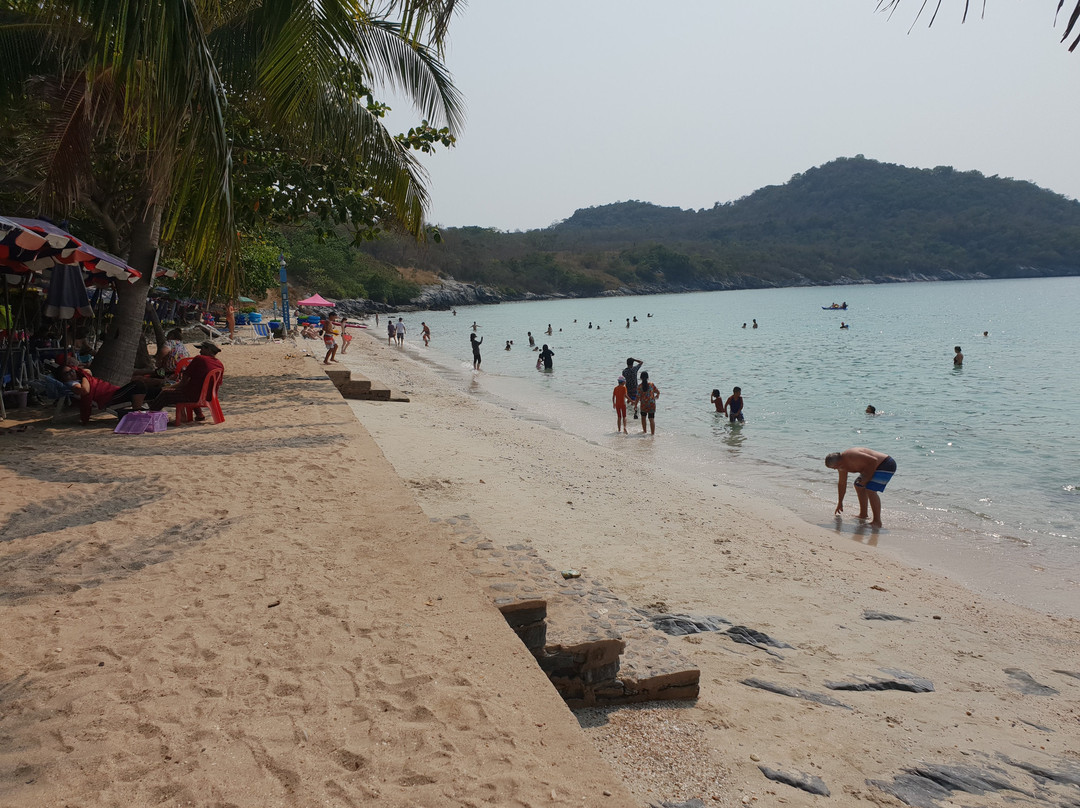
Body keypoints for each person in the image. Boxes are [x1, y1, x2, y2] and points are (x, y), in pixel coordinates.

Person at [148, 341, 224, 422]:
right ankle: (199, 415)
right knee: (193, 388)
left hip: (193, 396)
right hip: (210, 396)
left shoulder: (200, 359)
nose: (200, 351)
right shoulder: (219, 364)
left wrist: (168, 388)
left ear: (208, 349)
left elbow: (183, 382)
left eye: (202, 349)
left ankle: (149, 416)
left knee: (165, 394)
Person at [825, 447, 897, 528]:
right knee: (858, 485)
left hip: (886, 464)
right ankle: (863, 514)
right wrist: (840, 502)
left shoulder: (851, 455)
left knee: (870, 489)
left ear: (838, 462)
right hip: (872, 467)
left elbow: (874, 460)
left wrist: (867, 479)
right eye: (834, 468)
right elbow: (842, 483)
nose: (835, 469)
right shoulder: (841, 466)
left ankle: (877, 522)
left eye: (834, 467)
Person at [72, 364, 148, 425]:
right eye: (67, 373)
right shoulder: (75, 383)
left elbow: (87, 371)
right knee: (137, 385)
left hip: (113, 392)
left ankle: (141, 412)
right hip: (109, 398)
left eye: (72, 370)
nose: (71, 373)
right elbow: (85, 391)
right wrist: (84, 377)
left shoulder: (82, 377)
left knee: (146, 387)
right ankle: (137, 413)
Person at [637, 371, 659, 435]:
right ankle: (652, 434)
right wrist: (657, 396)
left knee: (643, 418)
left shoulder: (639, 387)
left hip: (644, 404)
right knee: (651, 419)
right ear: (648, 377)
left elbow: (638, 397)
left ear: (641, 378)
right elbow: (657, 392)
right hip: (651, 404)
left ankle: (644, 431)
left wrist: (635, 405)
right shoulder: (651, 384)